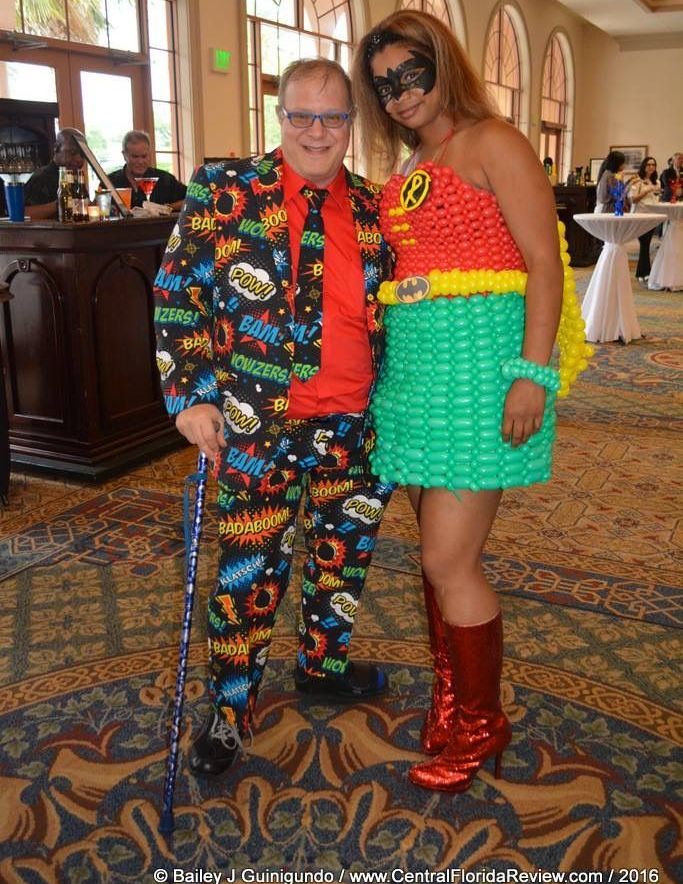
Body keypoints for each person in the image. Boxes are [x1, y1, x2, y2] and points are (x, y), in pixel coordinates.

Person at [352, 10, 588, 793]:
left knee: (446, 558)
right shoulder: (415, 160)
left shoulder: (494, 141)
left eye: (410, 75)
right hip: (417, 378)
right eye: (382, 85)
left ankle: (482, 723)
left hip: (481, 372)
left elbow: (543, 266)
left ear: (441, 64)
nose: (398, 95)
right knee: (439, 555)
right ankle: (454, 698)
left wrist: (533, 373)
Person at [154, 58, 394, 778]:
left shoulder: (380, 208)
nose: (317, 131)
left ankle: (323, 664)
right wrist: (190, 395)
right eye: (301, 116)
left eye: (333, 117)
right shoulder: (224, 191)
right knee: (246, 576)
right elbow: (176, 296)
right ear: (279, 115)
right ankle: (229, 714)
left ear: (352, 122)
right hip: (256, 427)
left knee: (340, 562)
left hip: (355, 425)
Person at [107, 130, 186, 210]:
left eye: (144, 156)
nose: (140, 162)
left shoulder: (165, 179)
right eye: (135, 157)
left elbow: (193, 200)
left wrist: (167, 208)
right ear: (124, 155)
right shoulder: (109, 182)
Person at [23, 128, 86, 220]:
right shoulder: (41, 177)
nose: (79, 159)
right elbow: (25, 214)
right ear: (57, 147)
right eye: (73, 152)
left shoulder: (75, 180)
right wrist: (61, 203)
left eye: (82, 154)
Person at [627, 157, 660, 281]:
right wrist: (647, 191)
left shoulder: (657, 182)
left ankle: (643, 272)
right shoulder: (637, 181)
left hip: (653, 216)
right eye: (648, 164)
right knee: (644, 243)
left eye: (653, 164)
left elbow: (656, 198)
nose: (651, 167)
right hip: (640, 215)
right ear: (644, 166)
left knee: (646, 244)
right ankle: (643, 273)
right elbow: (633, 199)